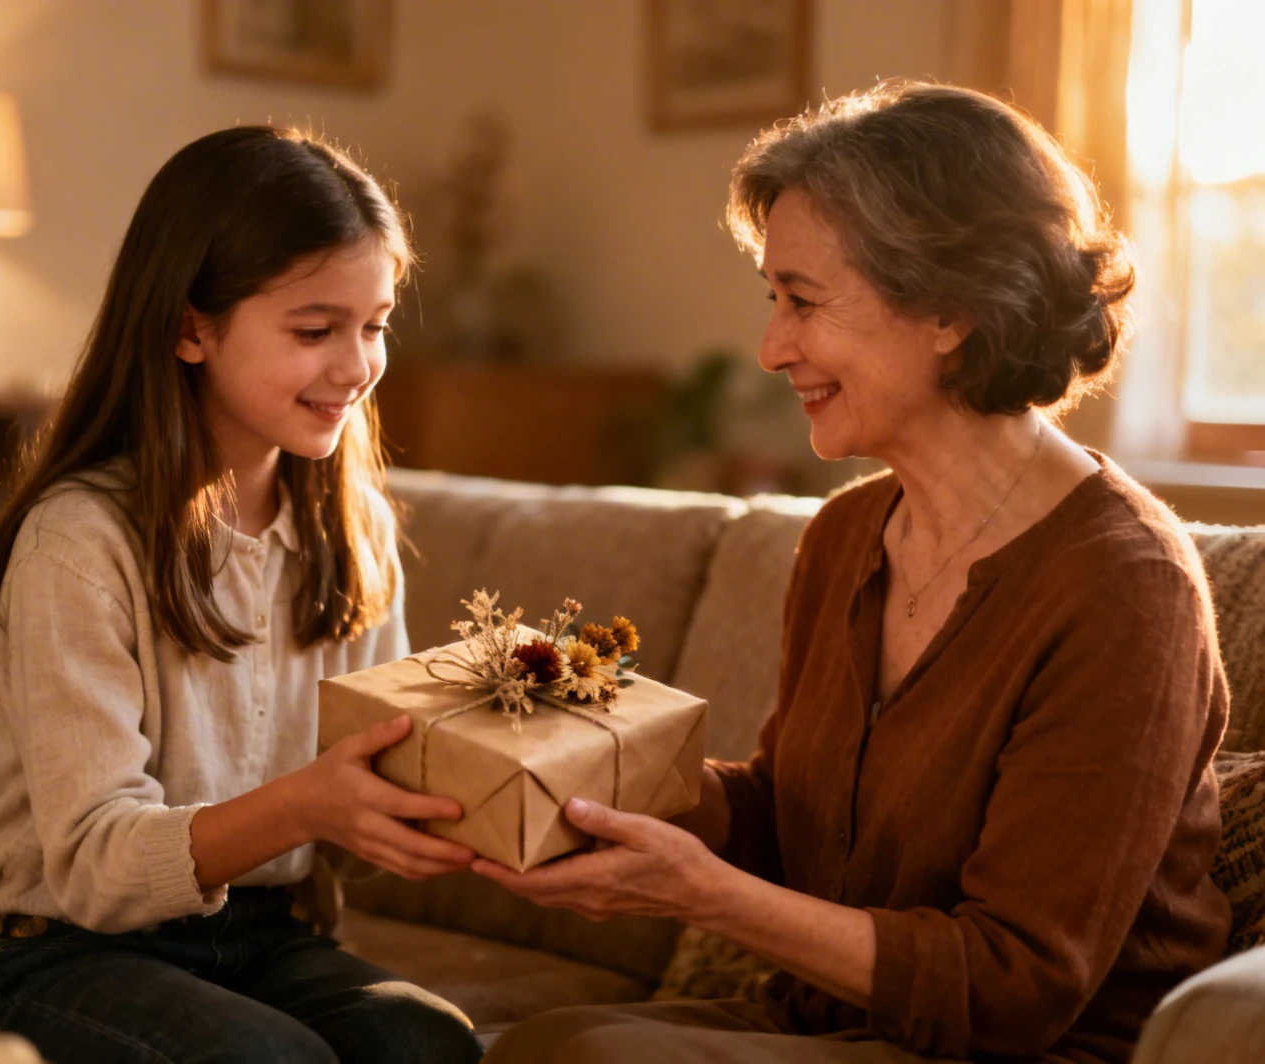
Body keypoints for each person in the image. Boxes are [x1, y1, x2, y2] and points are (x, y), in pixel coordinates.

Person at [477, 81, 1232, 1064]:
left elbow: (1013, 986)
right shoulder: (846, 534)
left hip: (1017, 1051)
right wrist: (598, 757)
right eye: (773, 300)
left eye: (803, 301)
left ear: (950, 309)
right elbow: (791, 822)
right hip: (833, 1022)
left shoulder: (1125, 587)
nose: (770, 348)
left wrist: (700, 893)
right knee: (509, 1043)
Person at [0, 126, 486, 1064]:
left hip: (263, 934)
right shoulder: (80, 541)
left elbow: (373, 790)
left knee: (428, 1043)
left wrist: (490, 777)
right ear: (190, 327)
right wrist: (306, 806)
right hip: (58, 945)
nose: (357, 367)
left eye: (375, 325)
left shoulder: (350, 532)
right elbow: (93, 868)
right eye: (314, 331)